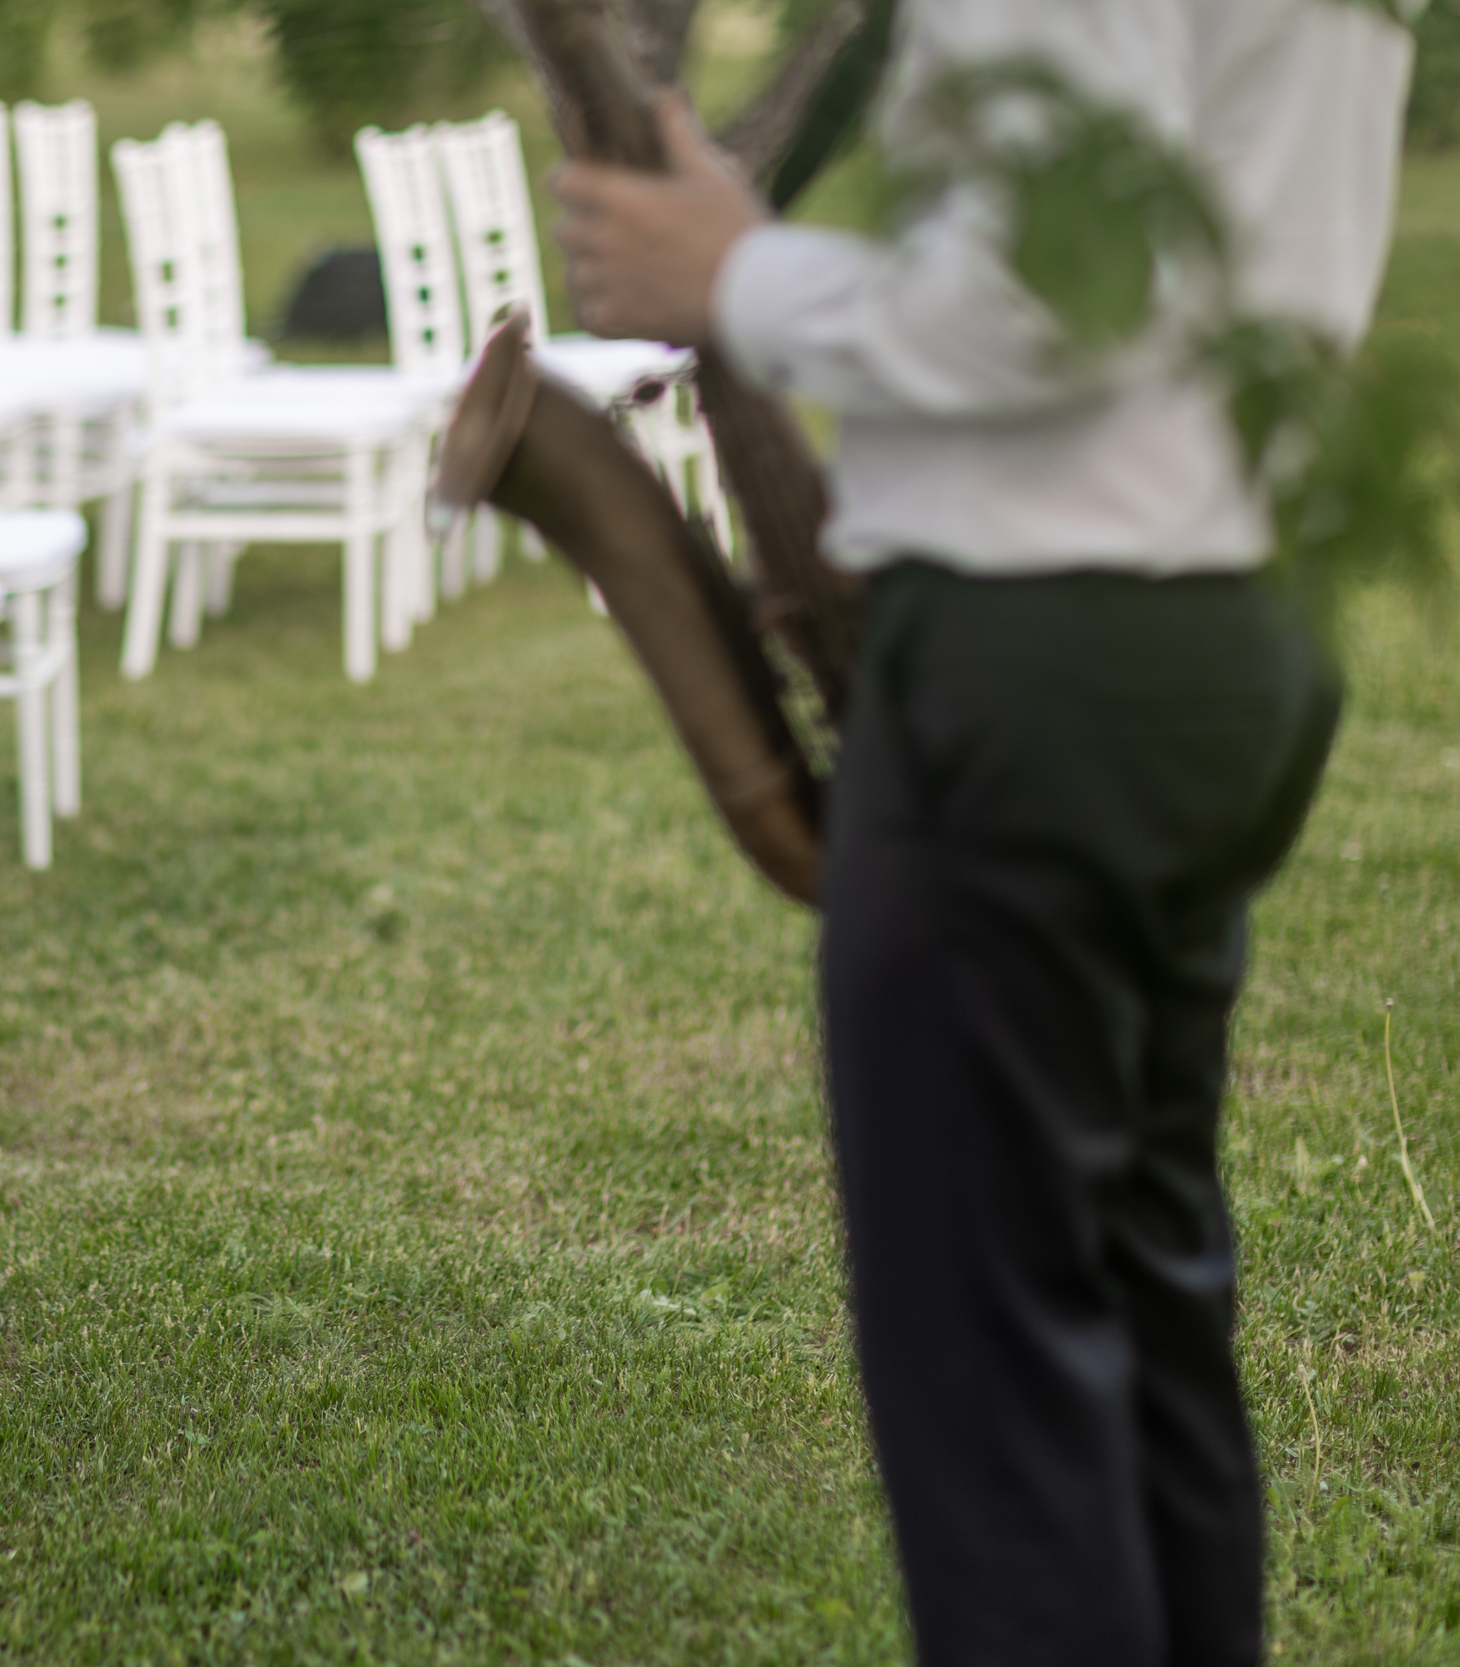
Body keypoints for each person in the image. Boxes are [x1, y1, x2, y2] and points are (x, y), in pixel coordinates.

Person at [548, 3, 1412, 1663]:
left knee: (997, 1384)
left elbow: (1064, 280)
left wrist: (735, 272)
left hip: (1045, 650)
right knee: (1143, 1312)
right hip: (1221, 621)